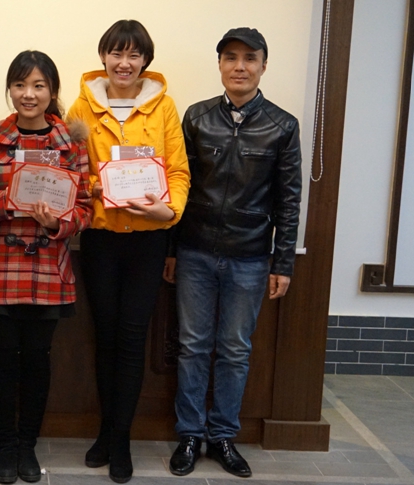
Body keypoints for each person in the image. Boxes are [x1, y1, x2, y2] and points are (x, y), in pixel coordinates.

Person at [165, 28, 302, 478]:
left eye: (249, 58)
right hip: (195, 252)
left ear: (263, 65)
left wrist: (283, 262)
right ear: (220, 64)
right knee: (192, 347)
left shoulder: (283, 126)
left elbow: (288, 200)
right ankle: (190, 434)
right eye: (230, 57)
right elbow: (179, 187)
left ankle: (223, 436)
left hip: (250, 257)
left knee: (235, 350)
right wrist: (171, 250)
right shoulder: (197, 117)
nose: (239, 66)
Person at [67, 19, 190, 483]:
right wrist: (101, 186)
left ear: (145, 61)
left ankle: (121, 439)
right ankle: (105, 431)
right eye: (116, 53)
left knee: (133, 339)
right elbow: (73, 170)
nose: (124, 63)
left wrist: (168, 210)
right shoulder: (82, 106)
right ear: (103, 57)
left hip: (147, 240)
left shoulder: (164, 107)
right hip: (100, 239)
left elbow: (178, 171)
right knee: (106, 336)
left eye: (134, 54)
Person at [0, 51, 92, 484]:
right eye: (21, 85)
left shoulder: (72, 143)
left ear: (52, 91)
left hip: (48, 266)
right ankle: (5, 446)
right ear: (10, 89)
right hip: (0, 266)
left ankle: (27, 445)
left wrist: (58, 223)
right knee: (2, 359)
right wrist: (4, 201)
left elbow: (86, 207)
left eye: (39, 85)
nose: (29, 94)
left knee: (38, 361)